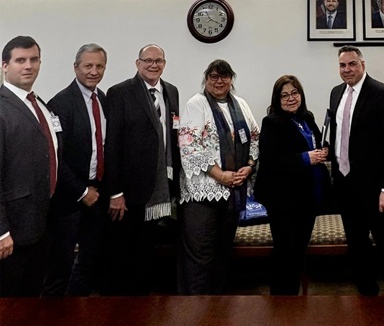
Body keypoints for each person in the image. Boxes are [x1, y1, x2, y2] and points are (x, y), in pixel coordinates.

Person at [329, 46, 384, 295]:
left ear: (363, 65)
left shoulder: (383, 94)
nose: (347, 69)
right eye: (342, 65)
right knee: (357, 244)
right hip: (345, 184)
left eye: (352, 64)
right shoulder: (336, 93)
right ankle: (367, 296)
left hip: (377, 189)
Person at [104, 44, 180, 295]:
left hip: (159, 186)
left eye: (158, 61)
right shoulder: (120, 93)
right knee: (124, 254)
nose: (153, 65)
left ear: (164, 64)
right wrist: (115, 192)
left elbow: (173, 134)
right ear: (138, 63)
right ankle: (121, 307)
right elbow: (112, 145)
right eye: (148, 60)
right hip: (128, 191)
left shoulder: (172, 92)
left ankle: (143, 305)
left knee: (147, 251)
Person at [178, 60, 259, 294]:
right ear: (206, 79)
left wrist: (249, 166)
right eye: (213, 76)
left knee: (222, 254)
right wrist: (220, 175)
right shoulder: (196, 104)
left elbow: (255, 138)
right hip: (201, 197)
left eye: (224, 77)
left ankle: (216, 306)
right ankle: (194, 306)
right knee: (200, 257)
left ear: (231, 79)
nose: (219, 81)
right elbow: (190, 148)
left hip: (232, 193)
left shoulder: (241, 104)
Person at [254, 75, 329, 295]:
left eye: (294, 93)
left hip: (308, 197)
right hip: (283, 199)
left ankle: (294, 304)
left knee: (298, 253)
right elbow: (271, 161)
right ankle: (280, 302)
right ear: (277, 100)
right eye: (284, 95)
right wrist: (306, 158)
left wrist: (324, 150)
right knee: (285, 252)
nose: (290, 98)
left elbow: (317, 143)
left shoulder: (307, 118)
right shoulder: (271, 123)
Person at [44, 44, 108, 296]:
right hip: (68, 197)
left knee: (90, 261)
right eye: (88, 66)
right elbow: (56, 158)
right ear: (75, 67)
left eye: (99, 66)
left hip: (97, 192)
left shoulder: (103, 99)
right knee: (60, 266)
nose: (94, 71)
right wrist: (81, 191)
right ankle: (55, 317)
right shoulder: (60, 103)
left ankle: (78, 313)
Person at [0, 36, 56, 296]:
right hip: (12, 231)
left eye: (34, 59)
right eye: (20, 60)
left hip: (39, 223)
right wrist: (1, 232)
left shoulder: (39, 104)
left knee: (31, 301)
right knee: (10, 305)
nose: (28, 66)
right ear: (5, 66)